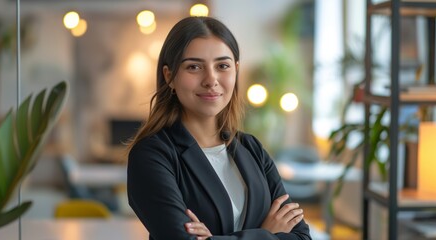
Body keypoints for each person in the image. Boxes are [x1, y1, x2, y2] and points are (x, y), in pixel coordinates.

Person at [127, 16, 311, 240]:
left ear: (235, 70)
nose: (211, 79)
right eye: (194, 67)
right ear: (170, 77)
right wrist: (266, 234)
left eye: (222, 66)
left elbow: (301, 236)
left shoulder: (251, 148)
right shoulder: (152, 155)